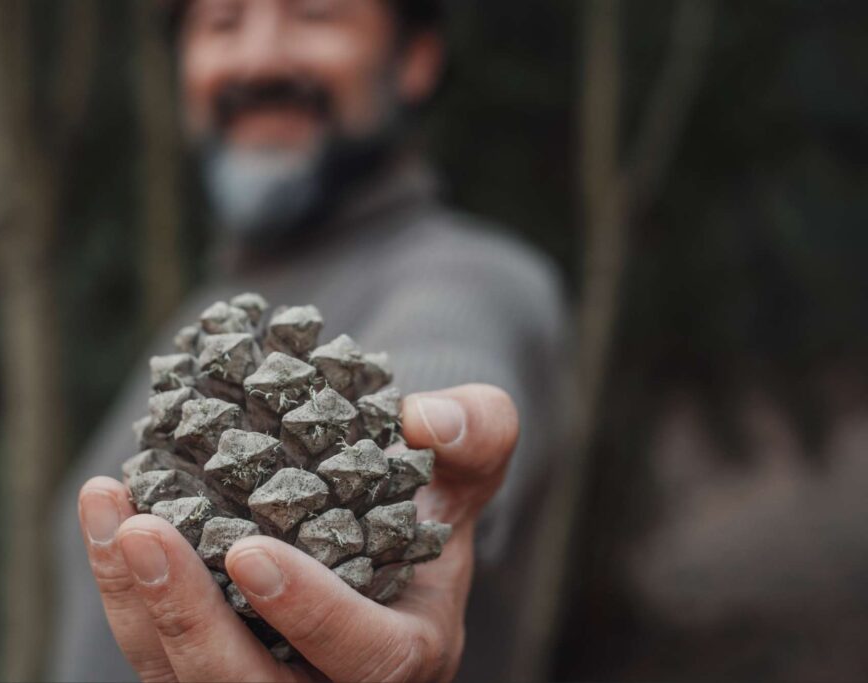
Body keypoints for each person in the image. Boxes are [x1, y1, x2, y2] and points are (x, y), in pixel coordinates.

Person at [50, 0, 570, 680]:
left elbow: (436, 368)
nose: (260, 59)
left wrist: (401, 498)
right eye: (222, 23)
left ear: (414, 58)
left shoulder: (475, 276)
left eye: (314, 14)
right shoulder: (203, 325)